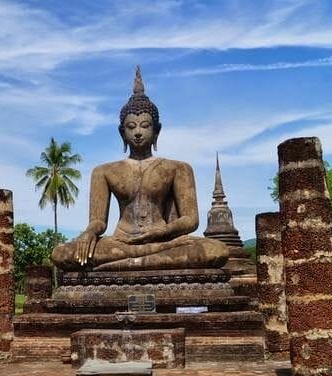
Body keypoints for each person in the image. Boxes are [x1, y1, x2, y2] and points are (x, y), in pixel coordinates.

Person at [51, 66, 229, 271]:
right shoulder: (104, 171)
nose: (137, 132)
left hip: (164, 241)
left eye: (145, 125)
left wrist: (162, 232)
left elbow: (190, 220)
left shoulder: (177, 168)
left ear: (156, 131)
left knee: (217, 250)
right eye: (131, 126)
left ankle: (122, 265)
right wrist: (89, 232)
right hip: (120, 243)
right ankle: (140, 261)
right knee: (62, 253)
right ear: (121, 132)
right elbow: (99, 221)